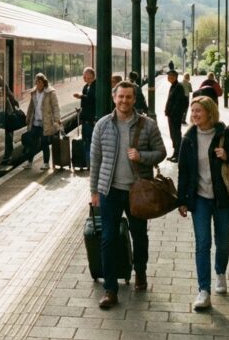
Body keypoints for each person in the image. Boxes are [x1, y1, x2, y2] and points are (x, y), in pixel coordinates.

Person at [90, 81, 167, 309]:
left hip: (138, 191)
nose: (124, 101)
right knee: (108, 238)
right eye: (120, 97)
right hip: (110, 191)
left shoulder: (148, 125)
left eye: (128, 97)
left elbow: (161, 152)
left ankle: (140, 271)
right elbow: (95, 160)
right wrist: (94, 191)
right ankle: (110, 289)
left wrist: (141, 156)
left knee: (139, 235)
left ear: (134, 99)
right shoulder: (102, 125)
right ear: (114, 98)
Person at [176, 96, 229, 310]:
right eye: (193, 111)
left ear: (210, 113)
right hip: (199, 199)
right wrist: (182, 201)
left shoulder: (226, 135)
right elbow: (183, 172)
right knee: (202, 244)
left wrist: (228, 156)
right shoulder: (188, 138)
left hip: (223, 199)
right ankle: (203, 291)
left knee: (223, 240)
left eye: (199, 111)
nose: (195, 115)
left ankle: (220, 272)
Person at [25, 73, 61, 170]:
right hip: (36, 122)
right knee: (32, 142)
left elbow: (55, 107)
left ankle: (46, 163)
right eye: (36, 82)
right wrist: (28, 119)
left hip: (46, 122)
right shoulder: (33, 92)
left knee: (44, 143)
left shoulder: (50, 93)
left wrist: (57, 118)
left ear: (44, 83)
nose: (38, 84)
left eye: (40, 82)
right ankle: (29, 162)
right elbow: (31, 107)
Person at [73, 67, 97, 168]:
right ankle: (88, 164)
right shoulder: (86, 86)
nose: (85, 79)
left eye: (87, 77)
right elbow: (86, 102)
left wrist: (81, 96)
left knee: (92, 143)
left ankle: (91, 164)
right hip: (85, 119)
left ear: (92, 77)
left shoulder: (96, 86)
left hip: (92, 120)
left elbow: (92, 100)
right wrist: (81, 109)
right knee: (86, 141)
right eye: (84, 77)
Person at [164, 70, 189, 163]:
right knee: (173, 135)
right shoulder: (174, 86)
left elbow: (178, 102)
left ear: (174, 77)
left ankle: (178, 155)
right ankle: (175, 153)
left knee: (176, 135)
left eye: (169, 76)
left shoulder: (178, 87)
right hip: (172, 115)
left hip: (175, 116)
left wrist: (173, 113)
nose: (168, 77)